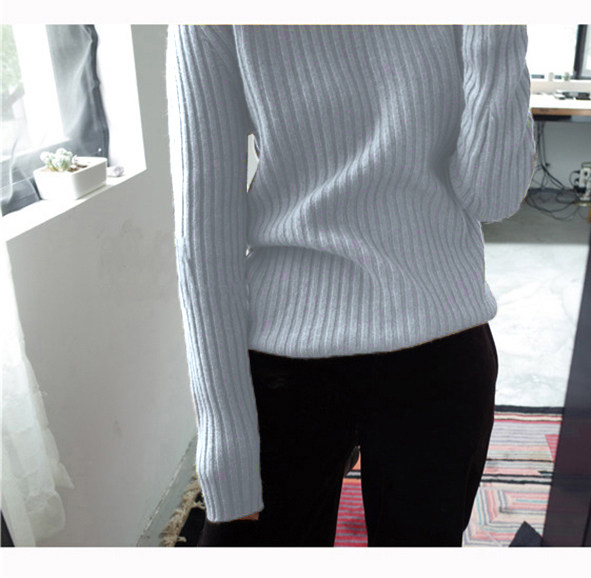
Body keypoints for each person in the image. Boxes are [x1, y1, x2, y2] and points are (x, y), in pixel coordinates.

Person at [165, 23, 536, 547]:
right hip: (285, 362)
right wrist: (225, 449)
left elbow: (492, 198)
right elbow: (205, 238)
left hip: (442, 349)